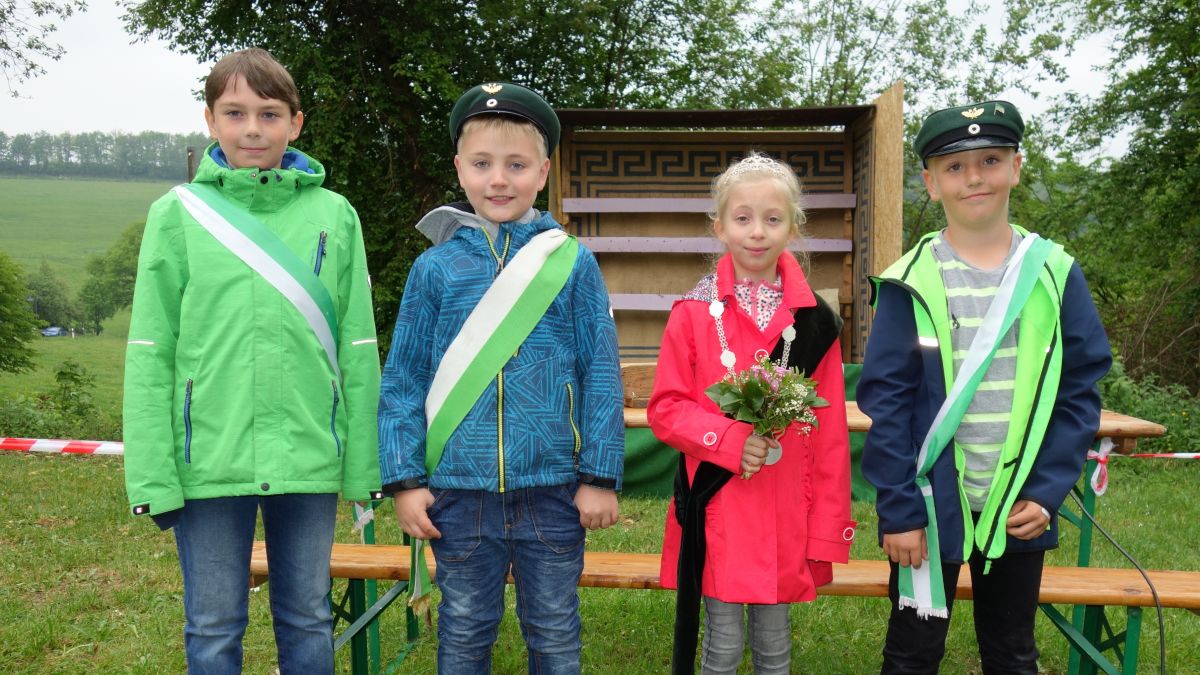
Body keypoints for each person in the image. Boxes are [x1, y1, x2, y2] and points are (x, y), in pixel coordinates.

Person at [122, 47, 382, 674]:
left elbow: (359, 348)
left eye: (269, 114)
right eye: (235, 113)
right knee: (213, 626)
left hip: (309, 455)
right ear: (210, 120)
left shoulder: (335, 215)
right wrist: (153, 474)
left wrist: (362, 465)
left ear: (296, 123)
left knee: (309, 618)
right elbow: (149, 351)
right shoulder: (176, 215)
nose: (252, 129)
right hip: (208, 457)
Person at [378, 81, 625, 674]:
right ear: (459, 169)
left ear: (542, 171)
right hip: (458, 491)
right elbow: (404, 379)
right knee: (463, 634)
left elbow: (600, 372)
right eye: (483, 164)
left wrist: (600, 475)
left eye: (516, 165)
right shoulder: (433, 268)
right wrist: (405, 479)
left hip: (555, 488)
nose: (498, 180)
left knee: (556, 634)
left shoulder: (571, 262)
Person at [859, 100, 1113, 674]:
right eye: (954, 166)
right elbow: (888, 402)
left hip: (1020, 507)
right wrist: (899, 511)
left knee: (1012, 652)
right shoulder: (908, 281)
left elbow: (1079, 391)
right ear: (930, 182)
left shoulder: (1053, 272)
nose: (974, 177)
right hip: (929, 506)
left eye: (990, 160)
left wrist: (1047, 490)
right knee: (912, 653)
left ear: (1016, 168)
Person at [647, 151, 856, 674]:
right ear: (719, 226)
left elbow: (828, 432)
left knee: (775, 648)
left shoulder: (816, 324)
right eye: (742, 218)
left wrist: (827, 527)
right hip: (717, 504)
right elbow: (668, 409)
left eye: (772, 218)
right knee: (719, 647)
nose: (756, 232)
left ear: (793, 226)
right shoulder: (693, 314)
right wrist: (730, 440)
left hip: (789, 508)